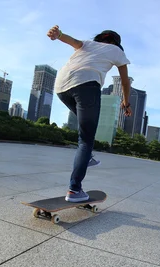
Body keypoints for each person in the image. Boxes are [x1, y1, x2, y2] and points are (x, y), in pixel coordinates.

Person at [47, 25, 132, 202]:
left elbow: (72, 41)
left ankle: (88, 157)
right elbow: (125, 81)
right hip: (86, 86)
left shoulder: (88, 44)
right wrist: (126, 102)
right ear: (115, 42)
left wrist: (58, 34)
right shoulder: (116, 50)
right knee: (86, 139)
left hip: (62, 87)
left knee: (85, 126)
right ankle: (75, 189)